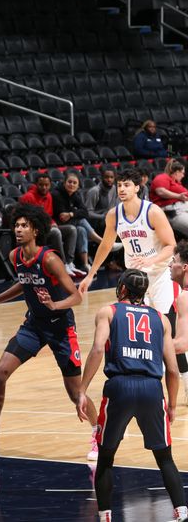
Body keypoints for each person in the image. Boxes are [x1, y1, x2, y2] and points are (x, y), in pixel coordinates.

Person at [0, 204, 98, 462]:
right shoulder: (15, 255)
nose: (18, 229)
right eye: (17, 225)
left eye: (24, 225)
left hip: (61, 328)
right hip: (34, 325)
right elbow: (23, 282)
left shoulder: (50, 259)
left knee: (75, 392)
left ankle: (97, 434)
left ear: (35, 230)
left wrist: (54, 305)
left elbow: (76, 296)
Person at [77, 269, 188, 522]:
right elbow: (172, 369)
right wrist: (171, 404)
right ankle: (182, 513)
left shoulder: (109, 311)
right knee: (165, 458)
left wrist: (82, 390)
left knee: (106, 457)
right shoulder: (161, 319)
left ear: (123, 290)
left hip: (120, 387)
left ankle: (105, 516)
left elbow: (96, 350)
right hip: (151, 389)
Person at [79, 168, 178, 314]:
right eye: (119, 185)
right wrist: (89, 275)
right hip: (135, 276)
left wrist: (151, 260)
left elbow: (171, 246)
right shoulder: (113, 215)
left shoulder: (153, 212)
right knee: (138, 323)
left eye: (127, 185)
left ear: (137, 188)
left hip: (159, 273)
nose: (122, 189)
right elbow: (106, 245)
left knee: (163, 322)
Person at [19, 172, 79, 276]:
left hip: (46, 227)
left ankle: (69, 263)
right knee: (55, 232)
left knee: (72, 229)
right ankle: (62, 265)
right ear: (36, 184)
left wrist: (53, 222)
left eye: (46, 185)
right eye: (41, 185)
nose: (44, 187)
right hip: (33, 230)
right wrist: (47, 225)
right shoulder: (27, 197)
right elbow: (24, 219)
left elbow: (49, 216)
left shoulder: (49, 196)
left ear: (50, 185)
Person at [52, 171, 104, 274]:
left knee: (81, 229)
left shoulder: (75, 194)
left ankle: (83, 264)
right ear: (64, 183)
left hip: (70, 223)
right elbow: (62, 216)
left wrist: (71, 214)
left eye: (74, 183)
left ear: (78, 185)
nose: (72, 184)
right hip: (56, 224)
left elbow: (85, 212)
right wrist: (74, 213)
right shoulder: (56, 194)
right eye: (69, 182)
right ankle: (101, 242)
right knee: (81, 221)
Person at [166, 241, 188, 400]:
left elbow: (181, 345)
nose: (169, 265)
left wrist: (145, 345)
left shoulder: (184, 298)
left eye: (173, 261)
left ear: (185, 267)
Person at [150, 158, 188, 238]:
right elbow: (160, 191)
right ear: (177, 172)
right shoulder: (163, 177)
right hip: (173, 212)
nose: (183, 176)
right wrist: (178, 196)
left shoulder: (176, 182)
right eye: (182, 173)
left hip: (183, 209)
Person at [85, 166, 119, 233]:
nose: (109, 179)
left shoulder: (114, 188)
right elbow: (87, 213)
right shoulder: (94, 191)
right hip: (95, 221)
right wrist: (102, 216)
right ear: (101, 178)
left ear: (114, 178)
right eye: (106, 177)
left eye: (111, 177)